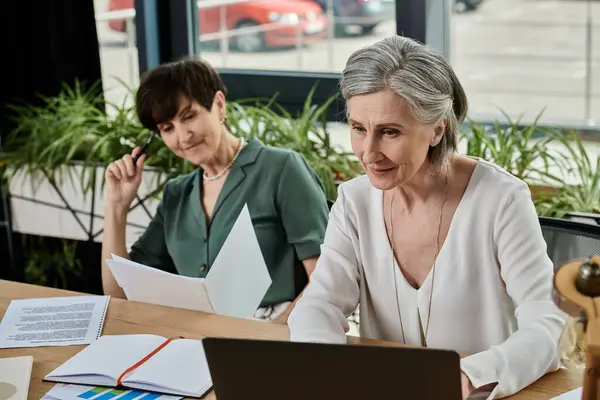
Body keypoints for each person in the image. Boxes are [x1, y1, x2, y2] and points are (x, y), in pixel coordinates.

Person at [287, 35, 567, 399]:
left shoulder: (501, 199)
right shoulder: (354, 201)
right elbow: (320, 302)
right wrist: (327, 366)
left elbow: (548, 321)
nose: (368, 153)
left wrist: (472, 376)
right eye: (358, 128)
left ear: (437, 128)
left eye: (390, 132)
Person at [101, 58, 329, 324]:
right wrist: (116, 207)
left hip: (276, 333)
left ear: (219, 105)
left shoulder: (280, 169)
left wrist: (272, 336)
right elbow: (119, 297)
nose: (183, 136)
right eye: (167, 128)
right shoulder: (177, 195)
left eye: (189, 117)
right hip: (198, 336)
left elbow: (325, 279)